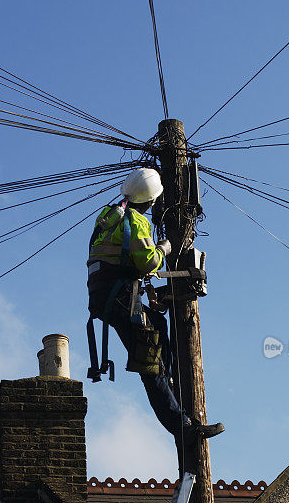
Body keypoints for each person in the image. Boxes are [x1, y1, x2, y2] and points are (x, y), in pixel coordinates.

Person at [86, 167, 224, 463]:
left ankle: (172, 379)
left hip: (109, 295)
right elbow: (146, 261)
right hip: (120, 297)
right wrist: (164, 246)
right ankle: (181, 425)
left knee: (159, 324)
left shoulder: (111, 214)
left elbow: (122, 259)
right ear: (151, 201)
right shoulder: (135, 221)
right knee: (151, 365)